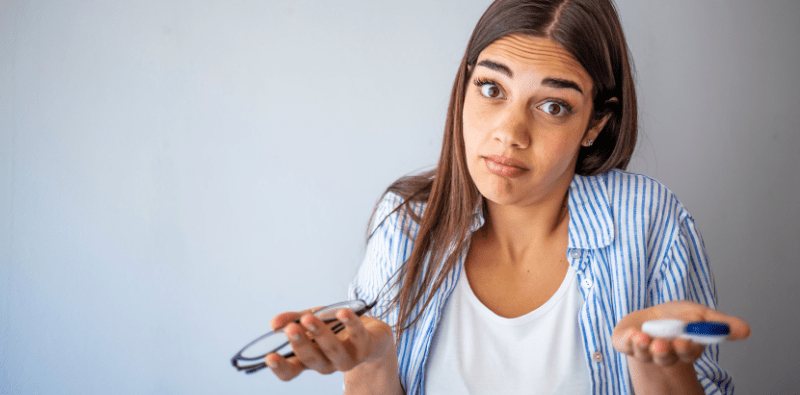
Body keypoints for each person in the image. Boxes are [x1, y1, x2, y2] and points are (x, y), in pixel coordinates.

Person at [264, 0, 751, 393]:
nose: (510, 133)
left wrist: (658, 365)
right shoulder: (405, 223)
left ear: (595, 124)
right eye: (492, 88)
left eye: (553, 106)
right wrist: (371, 362)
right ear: (465, 86)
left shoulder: (648, 219)